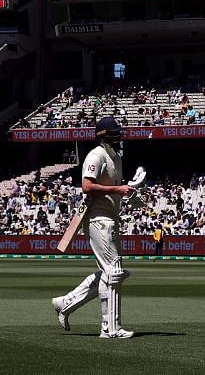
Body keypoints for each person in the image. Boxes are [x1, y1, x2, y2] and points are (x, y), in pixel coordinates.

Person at [50, 116, 138, 338]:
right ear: (104, 137)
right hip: (98, 219)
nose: (119, 138)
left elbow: (113, 186)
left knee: (109, 273)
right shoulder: (96, 155)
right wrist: (117, 191)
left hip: (111, 218)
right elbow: (87, 186)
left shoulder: (115, 157)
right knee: (114, 272)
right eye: (115, 134)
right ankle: (110, 329)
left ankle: (66, 303)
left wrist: (128, 191)